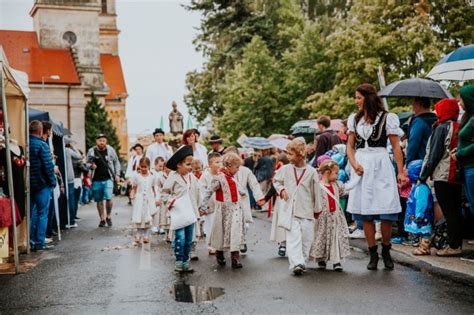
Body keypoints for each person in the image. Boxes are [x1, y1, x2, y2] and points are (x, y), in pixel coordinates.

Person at [346, 83, 405, 271]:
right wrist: (354, 164)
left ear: (368, 97)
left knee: (386, 211)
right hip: (362, 164)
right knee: (366, 213)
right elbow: (350, 147)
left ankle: (386, 249)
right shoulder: (355, 120)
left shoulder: (387, 118)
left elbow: (396, 146)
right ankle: (372, 253)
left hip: (381, 164)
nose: (356, 101)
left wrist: (401, 171)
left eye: (358, 97)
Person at [419, 98, 462, 256]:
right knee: (456, 210)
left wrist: (423, 176)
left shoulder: (442, 127)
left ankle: (453, 246)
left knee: (448, 211)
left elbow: (435, 154)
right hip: (457, 175)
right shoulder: (459, 125)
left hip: (443, 174)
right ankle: (456, 243)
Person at [273, 138, 321, 276]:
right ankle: (296, 263)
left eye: (290, 154)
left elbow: (316, 191)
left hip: (306, 210)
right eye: (287, 153)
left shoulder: (311, 172)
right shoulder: (285, 169)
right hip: (291, 211)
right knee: (294, 238)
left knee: (306, 238)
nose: (288, 157)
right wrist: (281, 190)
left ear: (300, 155)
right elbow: (276, 181)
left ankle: (302, 261)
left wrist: (317, 209)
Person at [200, 152, 248, 268]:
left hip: (235, 209)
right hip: (223, 211)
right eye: (236, 167)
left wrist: (242, 192)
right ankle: (219, 254)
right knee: (221, 232)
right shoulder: (219, 178)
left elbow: (238, 187)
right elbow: (209, 191)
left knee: (235, 233)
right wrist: (203, 204)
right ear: (229, 166)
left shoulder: (232, 177)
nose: (238, 170)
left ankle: (235, 258)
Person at [161, 145, 200, 273]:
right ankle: (178, 261)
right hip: (178, 212)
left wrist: (201, 207)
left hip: (190, 212)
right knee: (180, 238)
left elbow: (197, 192)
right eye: (188, 164)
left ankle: (185, 262)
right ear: (179, 165)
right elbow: (164, 193)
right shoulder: (173, 177)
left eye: (191, 165)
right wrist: (171, 201)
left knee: (189, 238)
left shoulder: (192, 177)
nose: (190, 167)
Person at [310, 160, 350, 271]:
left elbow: (345, 191)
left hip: (336, 218)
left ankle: (336, 261)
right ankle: (321, 258)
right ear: (327, 172)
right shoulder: (318, 186)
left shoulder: (336, 185)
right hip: (323, 218)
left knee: (336, 238)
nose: (337, 175)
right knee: (321, 237)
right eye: (336, 173)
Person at [29, 120, 57, 251]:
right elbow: (48, 166)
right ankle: (39, 243)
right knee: (42, 213)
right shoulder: (42, 145)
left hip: (29, 184)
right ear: (40, 131)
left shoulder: (26, 143)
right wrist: (53, 181)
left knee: (30, 214)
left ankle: (29, 241)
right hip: (42, 184)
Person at [87, 134, 121, 228]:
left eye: (103, 140)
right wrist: (90, 166)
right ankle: (102, 219)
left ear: (106, 141)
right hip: (96, 179)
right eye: (100, 140)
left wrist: (117, 174)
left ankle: (109, 216)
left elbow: (116, 161)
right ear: (96, 141)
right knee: (99, 200)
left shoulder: (110, 150)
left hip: (108, 178)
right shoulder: (91, 151)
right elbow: (87, 163)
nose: (101, 142)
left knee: (109, 198)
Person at [454, 85, 474, 246]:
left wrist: (460, 153)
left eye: (461, 98)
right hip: (466, 167)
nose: (459, 102)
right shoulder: (469, 118)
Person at [404, 160, 434, 256]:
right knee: (421, 231)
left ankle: (424, 248)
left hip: (422, 215)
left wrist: (420, 214)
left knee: (425, 231)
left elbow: (422, 203)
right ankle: (422, 246)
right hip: (416, 214)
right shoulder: (416, 186)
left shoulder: (421, 188)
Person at [130, 157, 159, 246]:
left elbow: (154, 189)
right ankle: (138, 235)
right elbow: (134, 188)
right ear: (139, 166)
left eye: (145, 167)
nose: (143, 169)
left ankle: (146, 235)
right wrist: (132, 196)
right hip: (139, 199)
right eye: (141, 167)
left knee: (148, 217)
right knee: (140, 217)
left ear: (148, 167)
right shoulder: (137, 177)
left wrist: (156, 199)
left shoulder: (152, 177)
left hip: (149, 199)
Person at [199, 152, 222, 255]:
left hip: (221, 204)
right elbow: (201, 190)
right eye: (217, 162)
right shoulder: (205, 176)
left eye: (220, 162)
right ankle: (210, 245)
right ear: (209, 164)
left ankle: (219, 245)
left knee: (220, 225)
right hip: (210, 204)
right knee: (210, 225)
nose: (220, 164)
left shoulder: (222, 174)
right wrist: (204, 204)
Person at [406, 97, 437, 166]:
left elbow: (413, 143)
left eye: (413, 104)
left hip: (419, 163)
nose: (412, 107)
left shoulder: (419, 121)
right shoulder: (437, 120)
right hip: (434, 160)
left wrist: (407, 162)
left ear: (419, 105)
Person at [65, 139, 82, 228]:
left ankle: (65, 220)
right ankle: (71, 220)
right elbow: (79, 156)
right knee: (71, 200)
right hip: (70, 178)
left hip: (64, 177)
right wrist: (74, 148)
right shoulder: (68, 151)